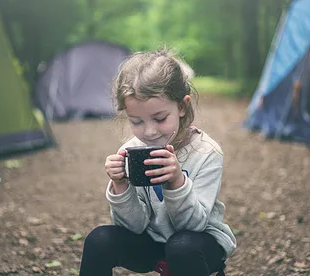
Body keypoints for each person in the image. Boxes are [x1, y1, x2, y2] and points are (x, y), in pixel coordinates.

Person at [79, 48, 237, 276]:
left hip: (199, 245)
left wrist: (177, 182)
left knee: (181, 247)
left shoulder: (206, 153)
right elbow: (134, 226)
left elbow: (193, 227)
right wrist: (120, 186)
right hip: (151, 243)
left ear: (182, 107)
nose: (150, 131)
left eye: (160, 118)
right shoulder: (131, 151)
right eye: (136, 121)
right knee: (99, 239)